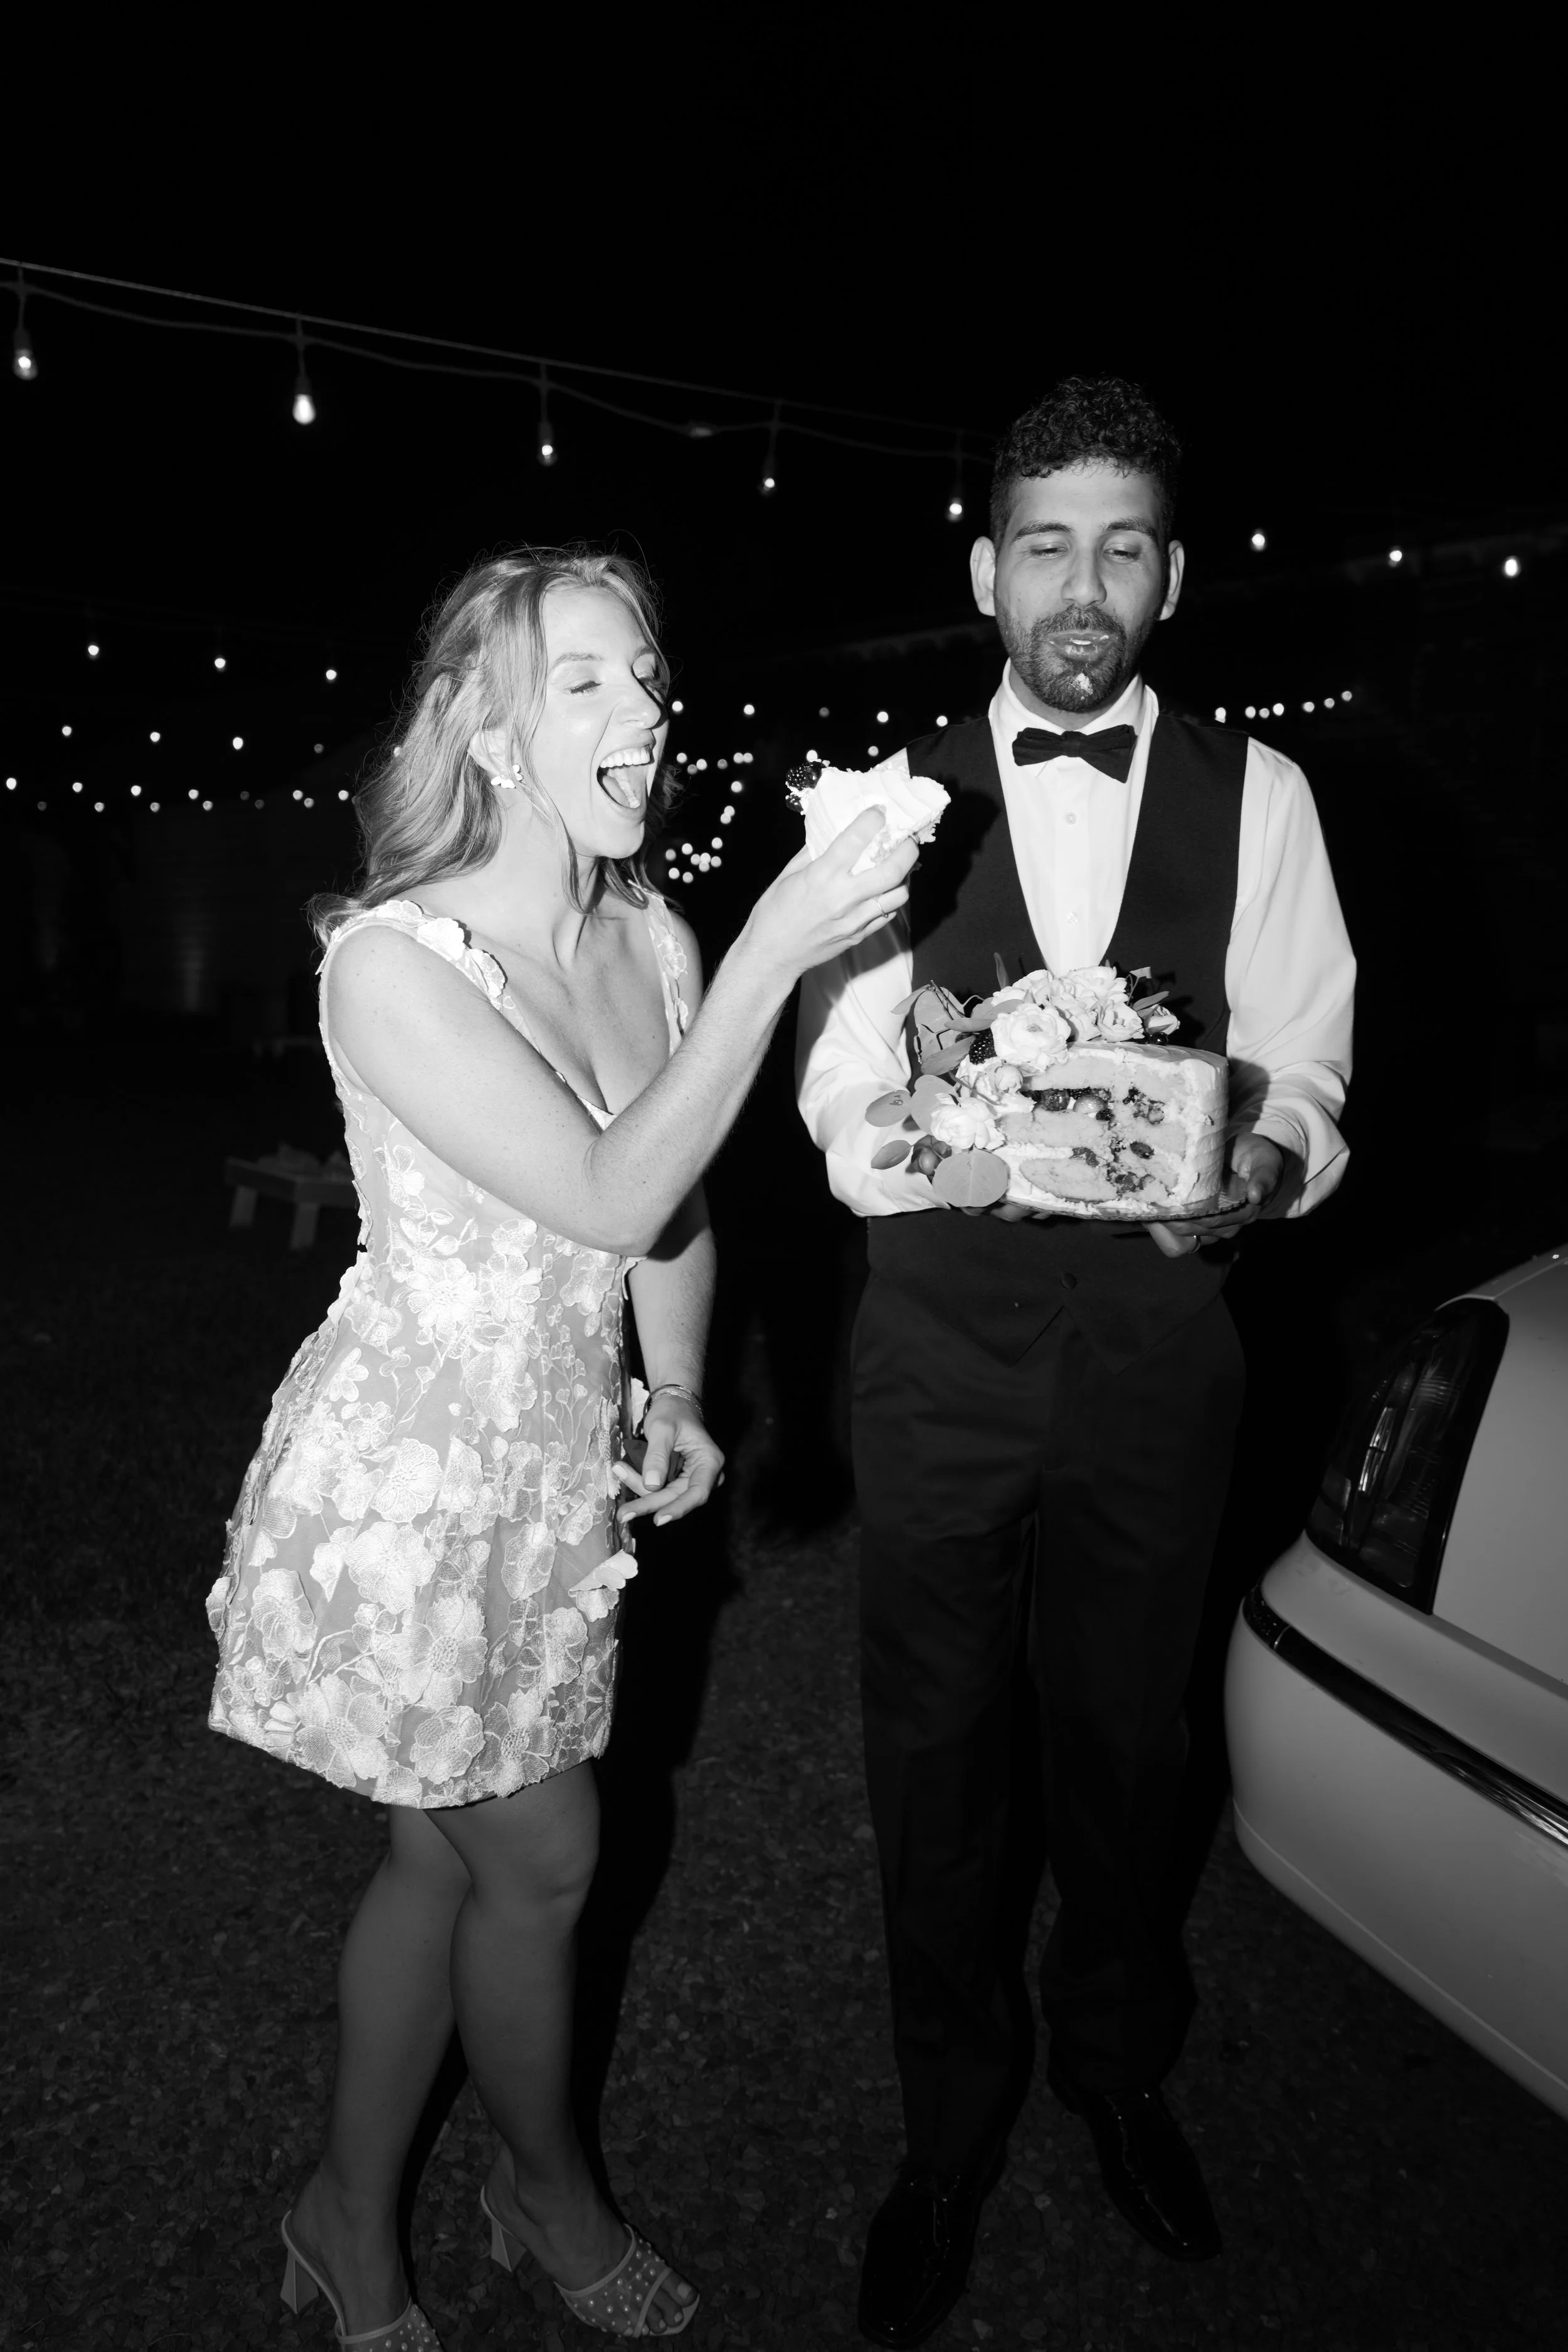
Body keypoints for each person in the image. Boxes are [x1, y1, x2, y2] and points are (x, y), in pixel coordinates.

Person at [206, 546, 916, 2348]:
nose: (644, 712)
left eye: (650, 675)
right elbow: (611, 1178)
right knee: (544, 1860)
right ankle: (541, 2187)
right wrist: (778, 948)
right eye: (586, 678)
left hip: (556, 1472)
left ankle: (339, 2211)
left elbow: (667, 1220)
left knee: (442, 1863)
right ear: (489, 726)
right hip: (414, 1483)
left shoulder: (646, 935)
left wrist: (672, 1392)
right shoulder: (391, 965)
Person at [797, 378, 1355, 2350]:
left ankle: (1117, 2065)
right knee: (934, 1755)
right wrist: (917, 1134)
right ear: (983, 570)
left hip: (1153, 1356)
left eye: (1122, 544)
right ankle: (946, 2132)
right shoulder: (890, 799)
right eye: (1047, 542)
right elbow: (838, 1072)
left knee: (1127, 1744)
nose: (1083, 582)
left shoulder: (1259, 795)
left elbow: (1302, 1055)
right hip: (940, 1355)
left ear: (1173, 576)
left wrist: (1265, 1166)